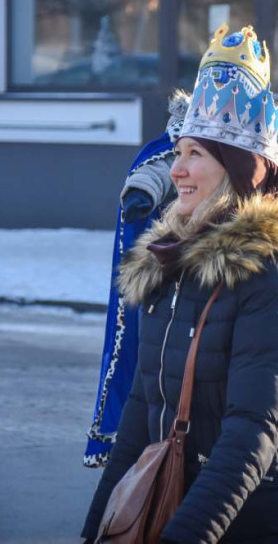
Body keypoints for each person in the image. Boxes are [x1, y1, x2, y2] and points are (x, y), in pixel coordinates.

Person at [82, 24, 278, 543]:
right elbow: (138, 420)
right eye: (179, 153)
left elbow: (251, 434)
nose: (176, 170)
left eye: (195, 154)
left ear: (237, 171)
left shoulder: (274, 274)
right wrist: (94, 531)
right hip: (177, 505)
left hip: (261, 524)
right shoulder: (168, 264)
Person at [84, 91, 188, 468]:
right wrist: (142, 192)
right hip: (170, 277)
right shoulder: (170, 148)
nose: (183, 166)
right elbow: (159, 168)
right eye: (182, 153)